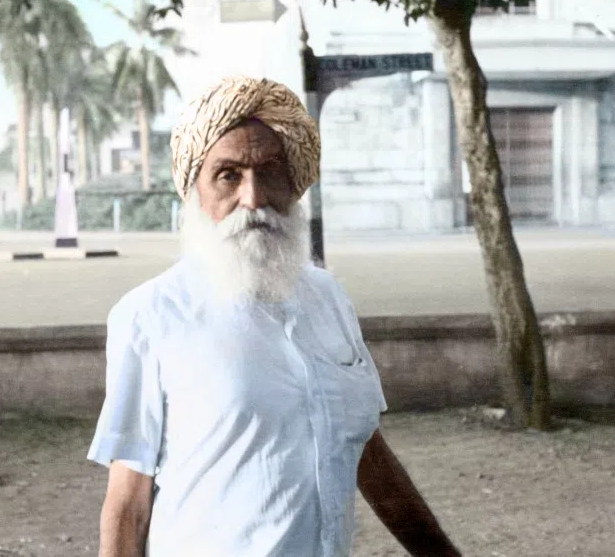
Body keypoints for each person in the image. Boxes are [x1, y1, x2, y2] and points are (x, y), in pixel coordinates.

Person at [88, 76, 461, 557]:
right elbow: (128, 505)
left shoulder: (328, 298)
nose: (254, 198)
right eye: (229, 175)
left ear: (294, 183)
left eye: (270, 171)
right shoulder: (150, 315)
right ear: (194, 190)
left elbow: (365, 451)